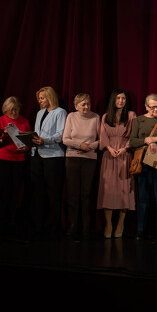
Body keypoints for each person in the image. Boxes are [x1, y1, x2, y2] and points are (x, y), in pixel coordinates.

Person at [129, 94, 157, 242]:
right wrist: (146, 141)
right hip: (143, 163)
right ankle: (141, 230)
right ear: (146, 107)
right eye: (153, 107)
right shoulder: (139, 120)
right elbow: (133, 141)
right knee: (143, 199)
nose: (156, 109)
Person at [97, 89, 136, 238]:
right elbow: (102, 135)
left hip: (125, 156)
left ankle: (121, 223)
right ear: (113, 100)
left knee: (124, 189)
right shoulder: (106, 117)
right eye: (118, 98)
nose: (121, 101)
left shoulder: (131, 115)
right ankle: (108, 223)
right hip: (109, 156)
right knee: (108, 190)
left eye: (123, 98)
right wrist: (109, 148)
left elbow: (134, 134)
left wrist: (126, 148)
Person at [62, 93, 100, 240]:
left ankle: (86, 227)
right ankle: (72, 226)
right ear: (76, 106)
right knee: (73, 194)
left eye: (88, 104)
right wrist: (79, 145)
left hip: (89, 158)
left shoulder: (96, 117)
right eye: (83, 104)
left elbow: (101, 140)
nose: (86, 107)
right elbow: (65, 139)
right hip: (72, 158)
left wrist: (88, 147)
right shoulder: (71, 117)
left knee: (86, 194)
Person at [30, 86, 67, 239]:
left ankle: (53, 227)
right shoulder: (39, 113)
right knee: (37, 192)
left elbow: (61, 134)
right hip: (37, 155)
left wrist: (45, 140)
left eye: (43, 98)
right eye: (39, 98)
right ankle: (37, 226)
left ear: (50, 97)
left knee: (53, 192)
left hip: (53, 156)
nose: (40, 101)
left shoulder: (60, 112)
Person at [0, 96, 30, 237]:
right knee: (2, 191)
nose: (14, 112)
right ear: (5, 110)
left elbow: (29, 141)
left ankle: (12, 222)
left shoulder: (24, 121)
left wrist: (26, 148)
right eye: (11, 110)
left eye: (16, 109)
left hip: (19, 160)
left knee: (15, 192)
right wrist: (3, 137)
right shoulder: (0, 121)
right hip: (2, 159)